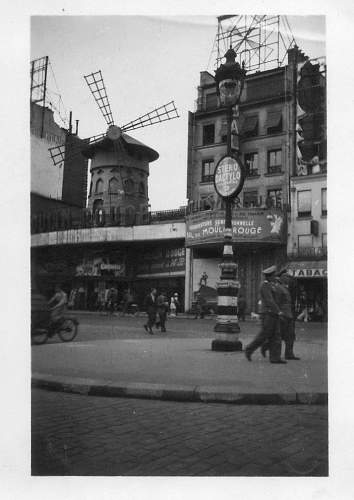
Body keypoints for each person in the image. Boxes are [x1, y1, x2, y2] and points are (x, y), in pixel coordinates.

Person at [244, 265, 286, 364]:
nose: (275, 277)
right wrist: (278, 311)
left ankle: (275, 358)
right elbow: (269, 300)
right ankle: (249, 349)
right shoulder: (265, 285)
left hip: (272, 314)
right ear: (269, 276)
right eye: (274, 275)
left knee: (276, 336)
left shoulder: (271, 284)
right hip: (268, 313)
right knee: (264, 335)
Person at [265, 270, 300, 360]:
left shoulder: (286, 288)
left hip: (289, 315)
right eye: (287, 278)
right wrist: (278, 312)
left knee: (290, 335)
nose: (289, 280)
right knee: (279, 335)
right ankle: (270, 351)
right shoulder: (278, 288)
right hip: (282, 315)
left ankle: (289, 353)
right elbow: (276, 301)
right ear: (282, 279)